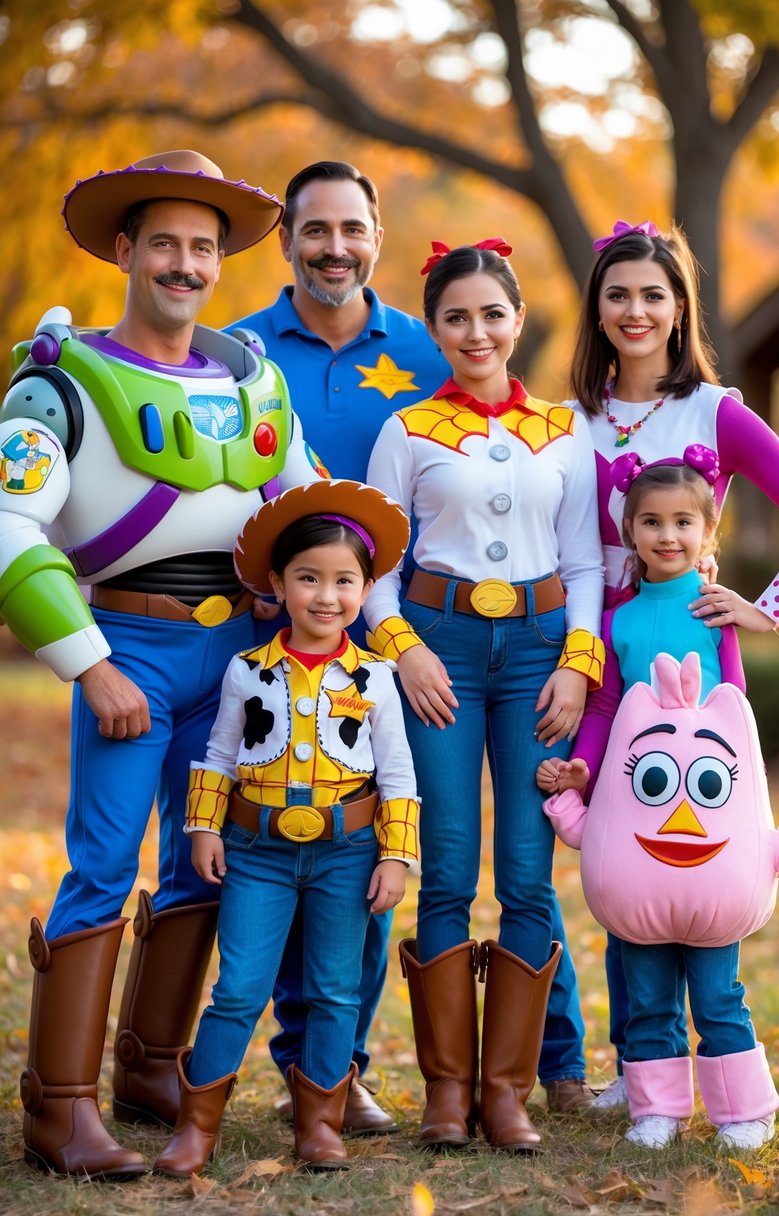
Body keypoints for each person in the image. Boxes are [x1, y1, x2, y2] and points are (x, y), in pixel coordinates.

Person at [0, 150, 324, 1179]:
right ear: (127, 251)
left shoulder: (256, 383)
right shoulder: (59, 384)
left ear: (220, 261)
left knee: (200, 862)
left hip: (237, 664)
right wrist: (90, 665)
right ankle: (59, 1110)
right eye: (165, 244)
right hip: (126, 647)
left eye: (203, 246)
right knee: (102, 868)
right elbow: (10, 526)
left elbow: (305, 505)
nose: (184, 264)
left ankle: (150, 1064)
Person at [555, 218, 779, 1114]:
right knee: (621, 865)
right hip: (605, 655)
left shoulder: (716, 412)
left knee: (699, 860)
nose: (635, 311)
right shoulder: (570, 422)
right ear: (596, 309)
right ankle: (640, 1073)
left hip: (701, 672)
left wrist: (769, 608)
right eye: (618, 295)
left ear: (679, 310)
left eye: (653, 295)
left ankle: (725, 1073)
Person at [363, 238, 605, 1152]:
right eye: (455, 317)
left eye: (491, 314)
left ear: (517, 320)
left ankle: (507, 1092)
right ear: (433, 328)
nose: (475, 331)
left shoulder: (563, 431)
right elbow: (375, 567)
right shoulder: (407, 430)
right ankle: (446, 1091)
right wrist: (405, 653)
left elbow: (585, 559)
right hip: (443, 655)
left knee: (527, 870)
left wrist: (577, 665)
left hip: (540, 653)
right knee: (450, 863)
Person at [230, 161, 448, 1132]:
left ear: (377, 237)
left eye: (351, 228)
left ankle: (340, 1061)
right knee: (272, 845)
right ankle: (282, 1058)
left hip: (390, 651)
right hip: (268, 646)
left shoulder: (425, 349)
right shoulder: (236, 355)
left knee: (366, 860)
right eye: (313, 230)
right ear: (284, 242)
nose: (333, 247)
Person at [540, 463, 779, 1148]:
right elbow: (606, 703)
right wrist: (585, 765)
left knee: (716, 984)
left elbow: (732, 708)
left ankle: (742, 1110)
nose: (666, 535)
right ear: (629, 532)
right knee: (645, 982)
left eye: (681, 522)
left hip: (708, 808)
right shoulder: (618, 622)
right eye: (650, 522)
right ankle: (656, 1107)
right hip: (638, 800)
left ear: (705, 534)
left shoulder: (713, 608)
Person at [155, 479, 419, 1173]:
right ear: (276, 583)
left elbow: (396, 774)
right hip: (257, 852)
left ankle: (319, 1125)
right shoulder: (249, 670)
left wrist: (395, 857)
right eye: (307, 578)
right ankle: (196, 1127)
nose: (325, 597)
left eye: (343, 581)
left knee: (335, 986)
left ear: (365, 589)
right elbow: (217, 754)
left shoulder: (376, 678)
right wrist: (205, 829)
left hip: (347, 851)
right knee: (239, 985)